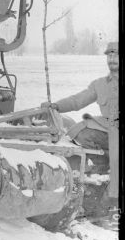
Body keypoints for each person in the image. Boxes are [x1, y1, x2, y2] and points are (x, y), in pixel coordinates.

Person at [42, 41, 119, 208]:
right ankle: (99, 173)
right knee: (81, 130)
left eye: (116, 55)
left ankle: (110, 201)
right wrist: (56, 106)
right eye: (110, 55)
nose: (112, 59)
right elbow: (78, 100)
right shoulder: (100, 84)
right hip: (110, 129)